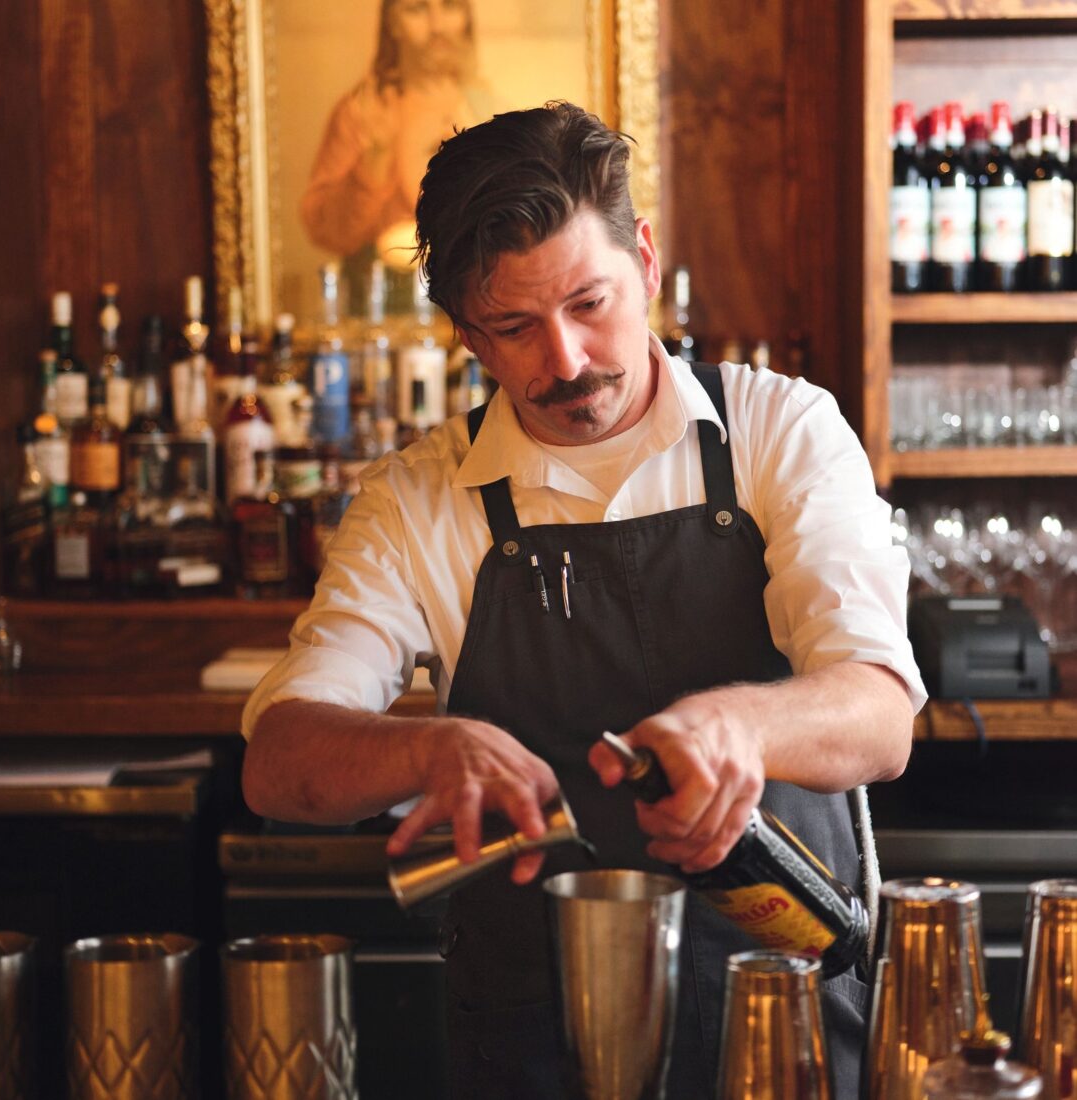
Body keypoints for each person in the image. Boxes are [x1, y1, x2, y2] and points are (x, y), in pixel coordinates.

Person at [244, 101, 927, 1098]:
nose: (563, 361)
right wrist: (424, 745)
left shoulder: (779, 430)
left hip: (776, 1028)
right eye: (514, 327)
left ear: (644, 259)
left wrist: (737, 722)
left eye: (588, 303)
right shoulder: (416, 499)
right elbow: (276, 762)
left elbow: (877, 713)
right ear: (466, 334)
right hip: (532, 1044)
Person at [300, 0, 498, 261]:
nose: (437, 26)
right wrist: (375, 160)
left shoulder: (487, 109)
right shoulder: (364, 111)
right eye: (417, 9)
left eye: (450, 6)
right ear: (392, 23)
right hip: (385, 292)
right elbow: (328, 231)